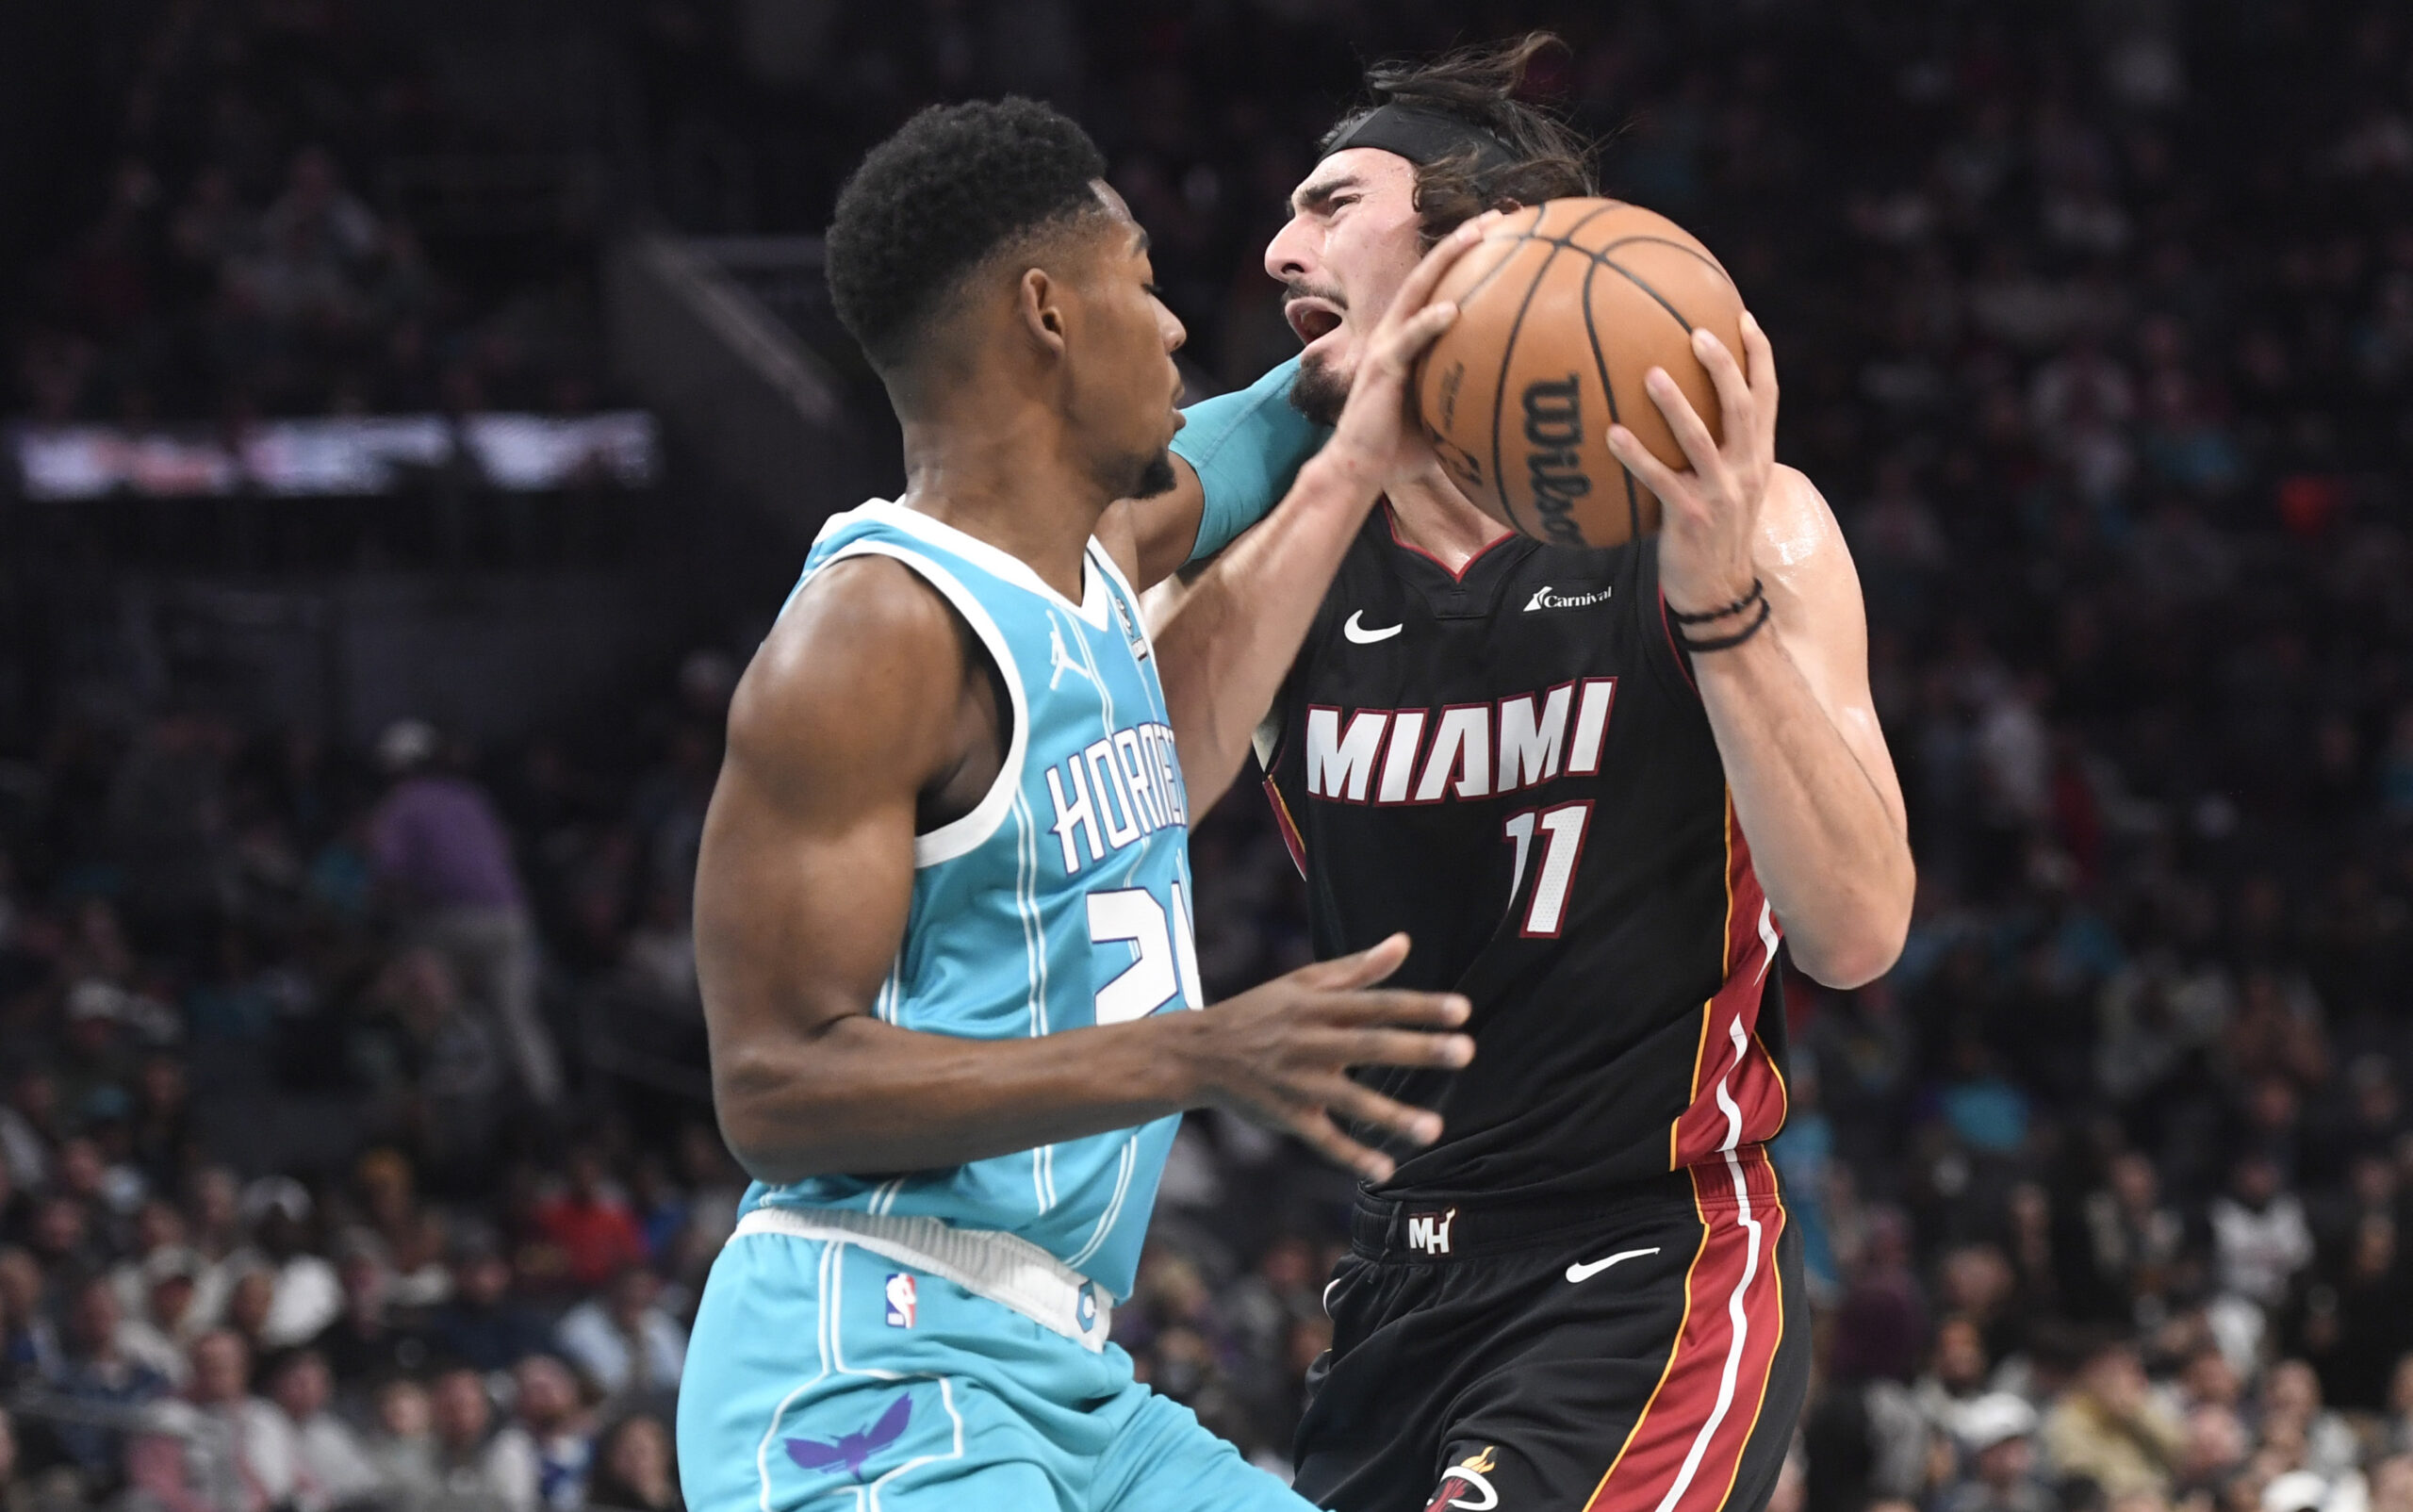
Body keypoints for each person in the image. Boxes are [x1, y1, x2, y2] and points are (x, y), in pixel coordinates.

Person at [1142, 33, 1914, 1512]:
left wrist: (1717, 603)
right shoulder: (1284, 554)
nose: (1276, 245)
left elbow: (1857, 929)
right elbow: (1138, 799)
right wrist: (1344, 466)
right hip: (1393, 1281)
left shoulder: (1747, 524)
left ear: (1478, 247)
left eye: (1329, 204)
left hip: (1649, 1261)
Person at [676, 97, 1481, 1512]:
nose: (1176, 328)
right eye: (1144, 283)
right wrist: (1194, 1055)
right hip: (870, 1365)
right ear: (1048, 311)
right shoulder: (874, 634)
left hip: (1067, 1379)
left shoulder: (1099, 552)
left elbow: (1260, 432)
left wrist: (1393, 337)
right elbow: (774, 1088)